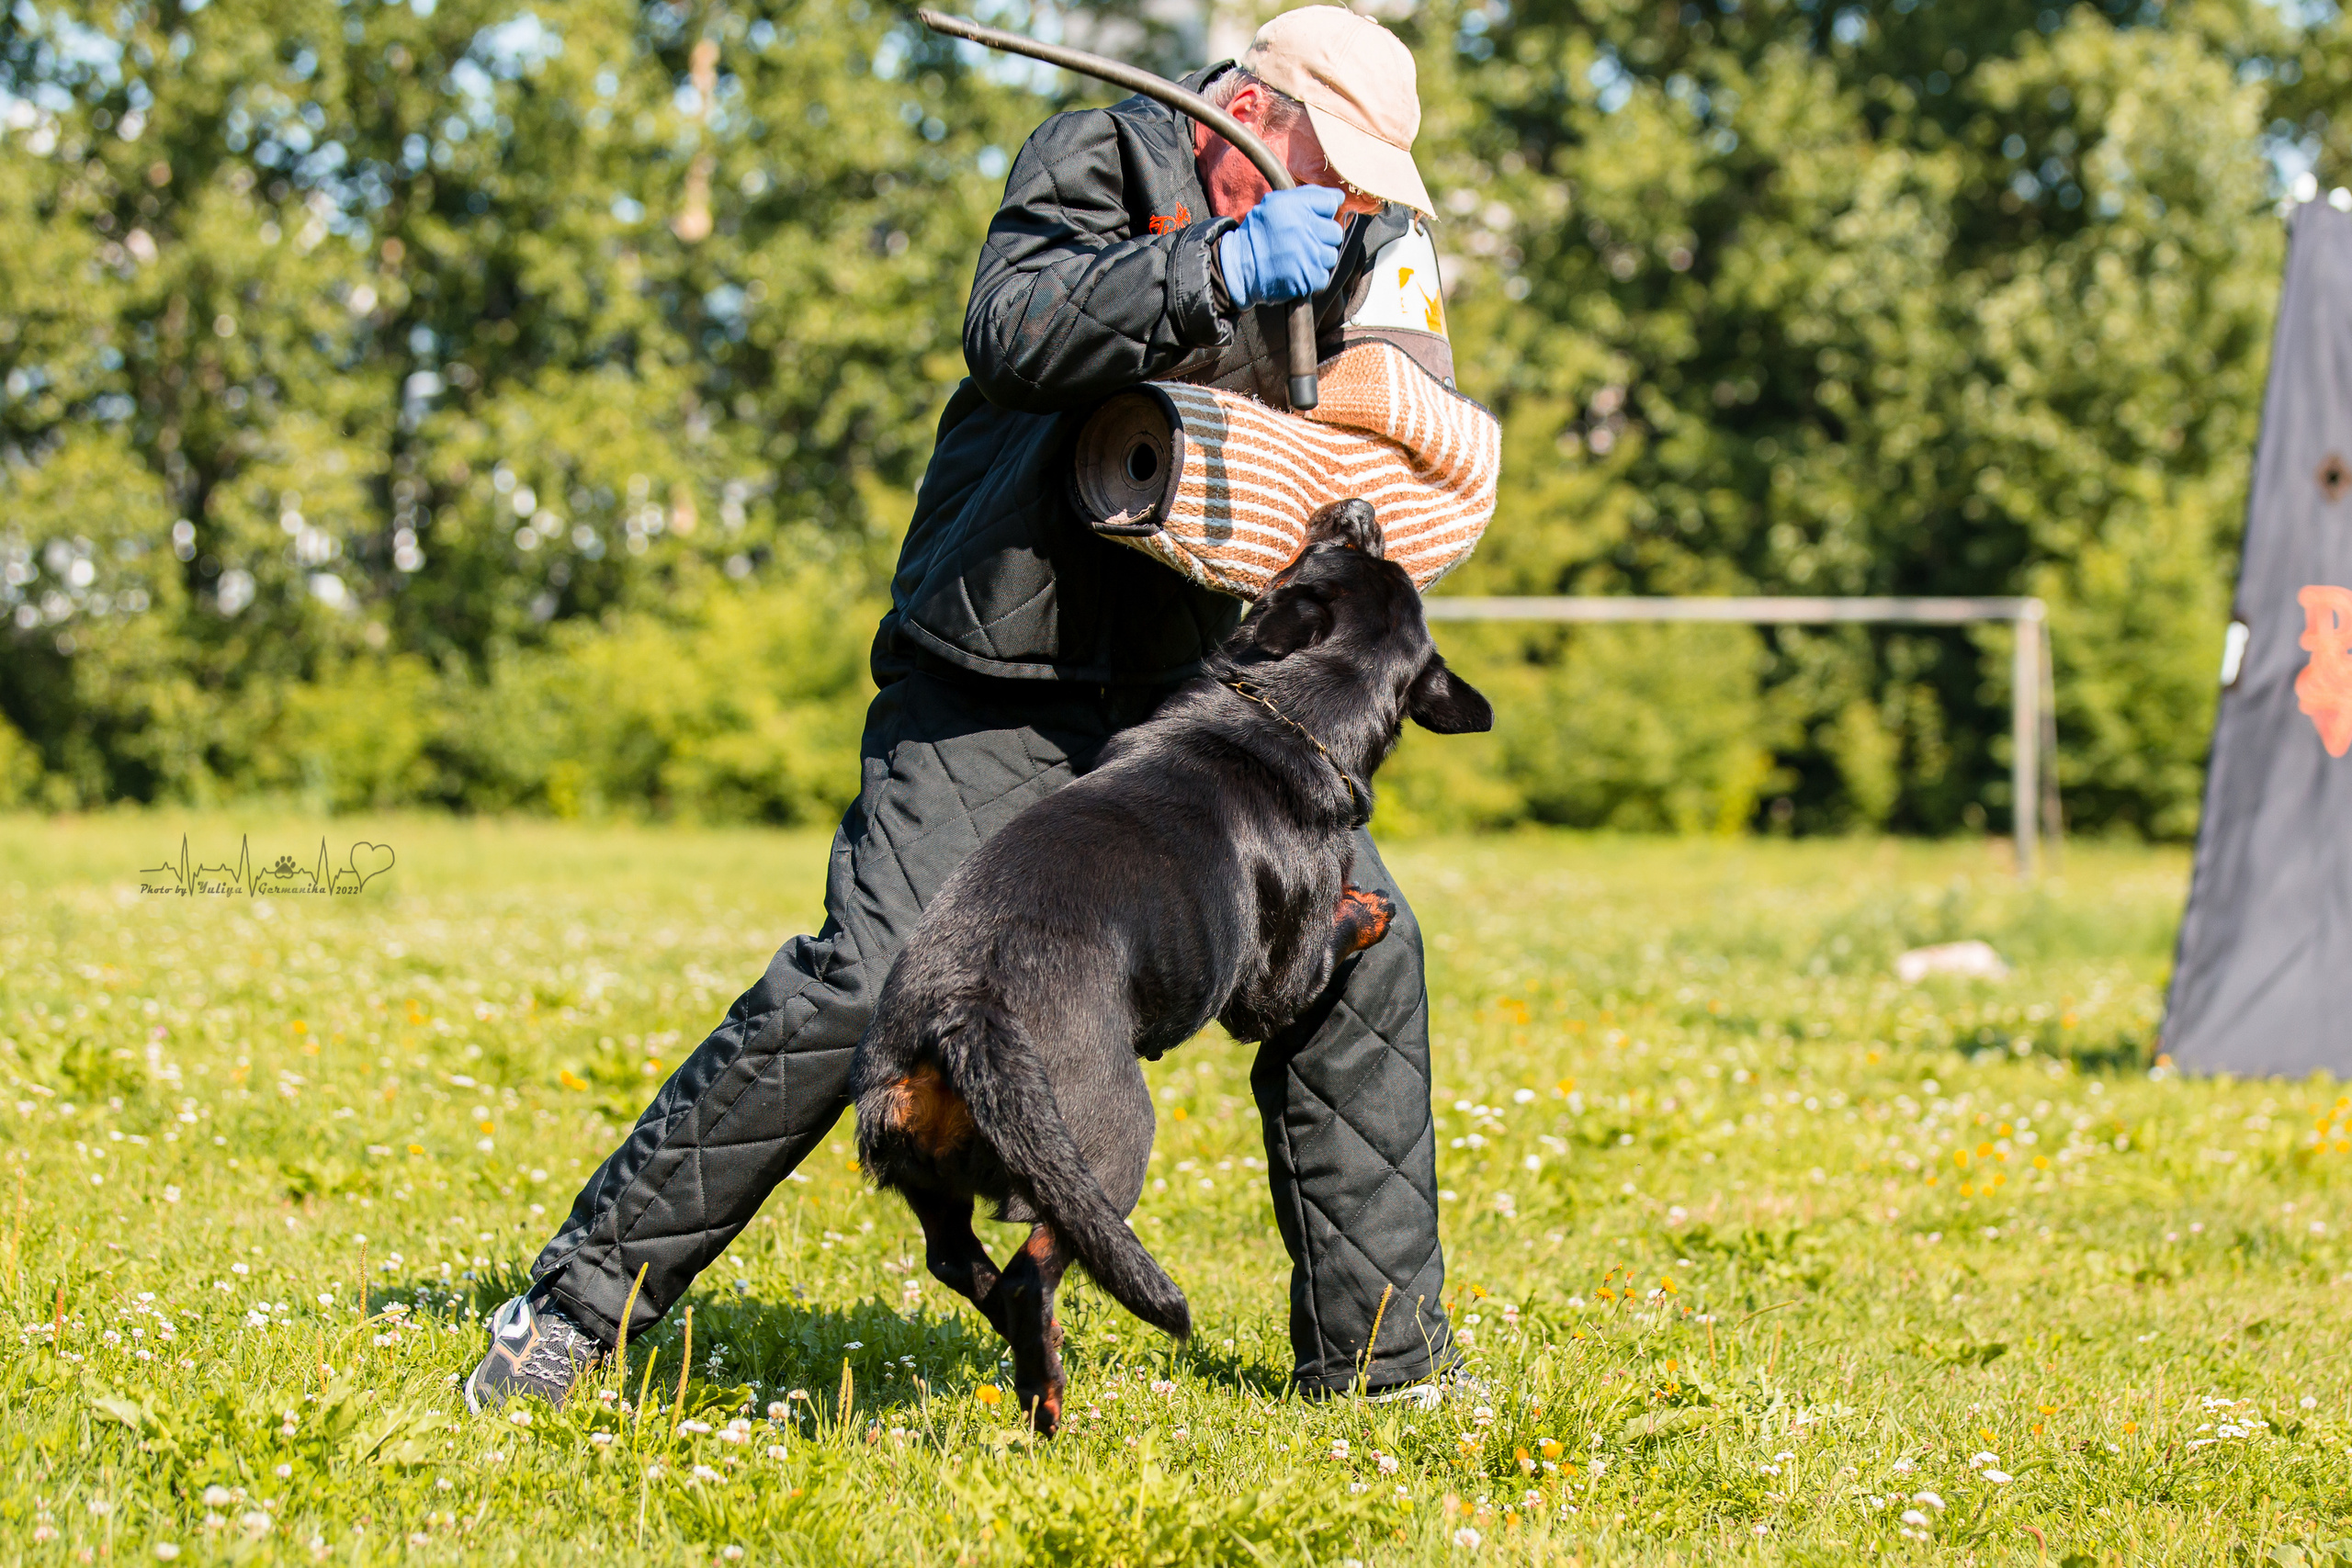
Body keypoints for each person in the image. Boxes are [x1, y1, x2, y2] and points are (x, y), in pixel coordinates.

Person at [468, 6, 1465, 1413]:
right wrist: (1213, 266)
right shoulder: (1099, 159)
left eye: (1369, 187)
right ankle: (569, 1314)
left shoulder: (1347, 241)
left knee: (1362, 943)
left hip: (1176, 708)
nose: (1351, 203)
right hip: (991, 685)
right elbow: (1015, 331)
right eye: (1337, 166)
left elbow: (1400, 410)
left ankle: (1383, 1369)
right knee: (870, 978)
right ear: (1253, 112)